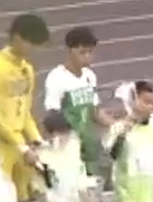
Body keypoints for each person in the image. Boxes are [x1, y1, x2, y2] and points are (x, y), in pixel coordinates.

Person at [0, 15, 47, 200]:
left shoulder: (27, 70)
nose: (33, 49)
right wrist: (21, 146)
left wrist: (37, 141)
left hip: (20, 145)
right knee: (2, 201)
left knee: (25, 198)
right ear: (16, 37)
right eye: (31, 42)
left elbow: (25, 112)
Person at [43, 25, 107, 178]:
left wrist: (115, 124)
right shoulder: (56, 77)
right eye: (82, 52)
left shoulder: (90, 76)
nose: (87, 57)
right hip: (70, 143)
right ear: (69, 50)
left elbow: (95, 111)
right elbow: (53, 114)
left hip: (90, 142)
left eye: (90, 52)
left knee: (92, 185)